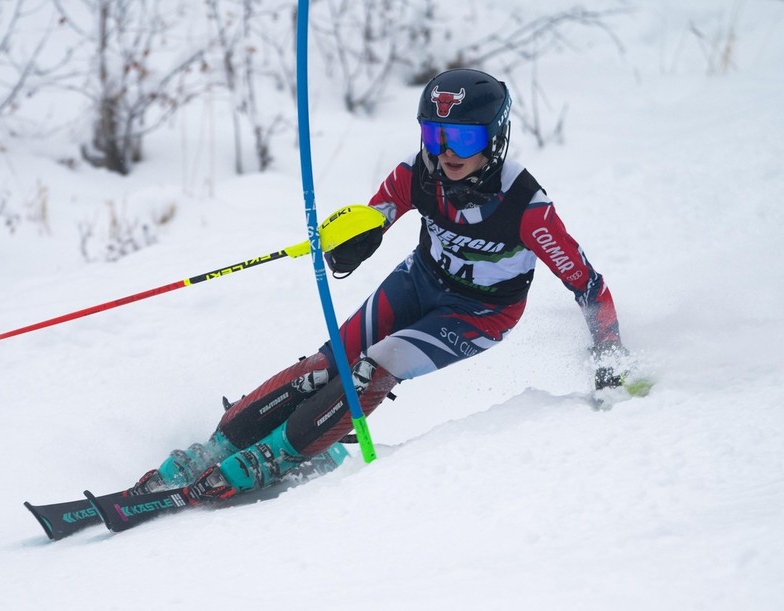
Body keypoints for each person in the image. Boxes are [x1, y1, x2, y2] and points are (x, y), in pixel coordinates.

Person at [127, 68, 627, 503]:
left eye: (464, 139)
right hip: (419, 281)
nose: (447, 152)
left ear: (494, 139)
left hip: (479, 315)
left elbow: (589, 286)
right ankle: (218, 448)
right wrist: (349, 238)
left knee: (376, 366)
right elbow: (374, 216)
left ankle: (276, 457)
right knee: (328, 366)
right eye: (435, 136)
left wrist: (610, 360)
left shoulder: (527, 207)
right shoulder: (417, 173)